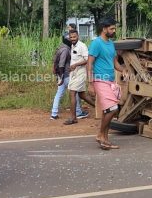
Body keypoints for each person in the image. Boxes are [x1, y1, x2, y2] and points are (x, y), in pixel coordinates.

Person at [87, 17, 127, 150]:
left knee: (107, 111)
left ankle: (105, 139)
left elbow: (115, 63)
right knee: (112, 108)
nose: (114, 30)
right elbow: (89, 63)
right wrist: (90, 83)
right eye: (112, 28)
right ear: (104, 29)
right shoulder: (96, 43)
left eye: (114, 28)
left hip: (110, 81)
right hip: (100, 80)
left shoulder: (111, 44)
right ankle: (100, 135)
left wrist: (124, 70)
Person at [50, 34, 86, 120]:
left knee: (59, 94)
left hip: (62, 75)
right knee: (74, 93)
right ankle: (78, 112)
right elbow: (62, 64)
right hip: (66, 75)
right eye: (70, 39)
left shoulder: (60, 47)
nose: (72, 40)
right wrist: (62, 77)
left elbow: (55, 62)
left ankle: (54, 114)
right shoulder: (66, 50)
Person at [64, 29, 95, 125]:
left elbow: (87, 60)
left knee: (72, 93)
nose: (72, 39)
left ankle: (73, 118)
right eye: (71, 37)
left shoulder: (82, 46)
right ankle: (100, 107)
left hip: (81, 72)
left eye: (74, 37)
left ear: (78, 36)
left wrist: (75, 65)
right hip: (74, 73)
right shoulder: (72, 45)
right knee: (82, 95)